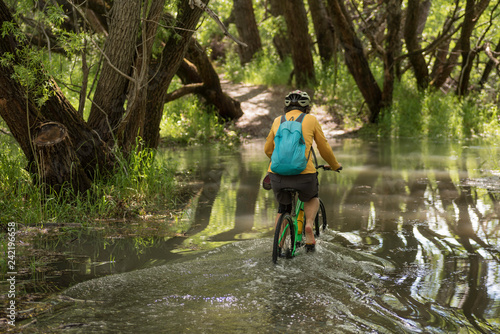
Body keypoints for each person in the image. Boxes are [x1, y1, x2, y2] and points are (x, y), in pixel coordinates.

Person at [264, 90, 342, 252]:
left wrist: (279, 163)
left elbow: (267, 149)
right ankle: (308, 227)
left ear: (286, 106)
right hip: (304, 175)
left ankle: (278, 243)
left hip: (277, 175)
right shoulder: (311, 120)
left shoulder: (278, 120)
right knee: (311, 197)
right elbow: (324, 148)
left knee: (283, 207)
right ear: (307, 107)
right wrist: (334, 165)